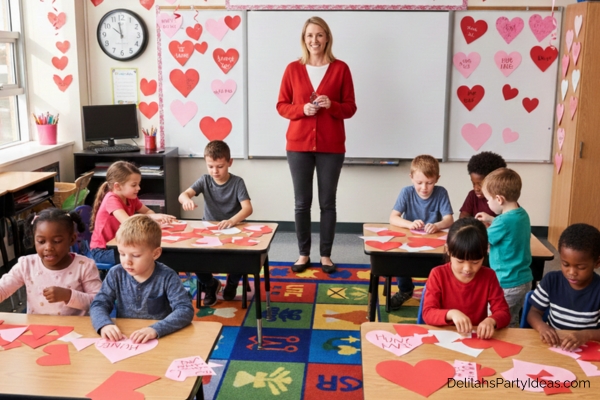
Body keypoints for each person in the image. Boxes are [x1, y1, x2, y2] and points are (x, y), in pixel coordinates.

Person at [276, 16, 357, 274]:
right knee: (301, 203)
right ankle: (303, 254)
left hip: (331, 147)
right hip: (298, 145)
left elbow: (351, 108)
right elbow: (281, 105)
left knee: (327, 203)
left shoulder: (341, 69)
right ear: (304, 39)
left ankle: (325, 255)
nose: (314, 40)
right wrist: (302, 109)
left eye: (319, 35)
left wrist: (332, 106)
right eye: (310, 35)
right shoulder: (292, 69)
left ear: (327, 38)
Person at [90, 215, 194, 343]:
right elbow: (99, 304)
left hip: (159, 337)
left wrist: (155, 329)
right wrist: (104, 324)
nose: (127, 261)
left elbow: (185, 310)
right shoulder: (116, 273)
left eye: (135, 255)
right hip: (126, 338)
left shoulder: (167, 276)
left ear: (155, 254)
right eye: (122, 253)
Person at [178, 140, 253, 306]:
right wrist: (186, 200)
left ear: (229, 162)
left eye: (220, 166)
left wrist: (232, 220)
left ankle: (232, 282)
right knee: (193, 256)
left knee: (242, 256)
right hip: (210, 229)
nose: (215, 171)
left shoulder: (237, 182)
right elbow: (183, 194)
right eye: (210, 166)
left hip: (235, 229)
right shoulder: (205, 180)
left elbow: (247, 208)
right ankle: (210, 284)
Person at [0, 208, 102, 315]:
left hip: (75, 329)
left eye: (57, 241)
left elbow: (99, 302)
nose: (48, 247)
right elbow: (3, 289)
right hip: (38, 328)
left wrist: (69, 295)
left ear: (72, 239)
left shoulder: (84, 266)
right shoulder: (27, 265)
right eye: (41, 241)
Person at [422, 218, 510, 338]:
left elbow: (503, 312)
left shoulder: (489, 276)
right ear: (448, 250)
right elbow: (428, 313)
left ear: (485, 253)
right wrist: (451, 313)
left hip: (475, 338)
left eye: (475, 262)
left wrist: (491, 321)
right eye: (460, 261)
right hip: (445, 337)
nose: (467, 268)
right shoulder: (438, 274)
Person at [389, 155, 454, 310]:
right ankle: (405, 290)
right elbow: (393, 218)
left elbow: (449, 219)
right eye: (419, 183)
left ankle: (435, 293)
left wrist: (437, 225)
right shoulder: (406, 192)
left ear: (437, 179)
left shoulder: (441, 193)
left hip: (433, 243)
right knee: (398, 259)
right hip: (409, 242)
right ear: (411, 178)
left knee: (440, 265)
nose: (424, 187)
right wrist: (410, 224)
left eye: (429, 183)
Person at [527, 223, 600, 351]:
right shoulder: (551, 280)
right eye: (565, 264)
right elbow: (533, 313)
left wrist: (585, 335)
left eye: (581, 267)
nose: (571, 272)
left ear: (597, 263)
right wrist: (542, 327)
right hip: (555, 345)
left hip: (587, 348)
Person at [89, 161, 176, 265]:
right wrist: (152, 218)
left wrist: (156, 216)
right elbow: (129, 223)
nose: (138, 188)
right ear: (117, 186)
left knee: (154, 253)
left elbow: (148, 211)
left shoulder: (130, 197)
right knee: (147, 257)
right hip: (103, 251)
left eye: (138, 184)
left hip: (122, 246)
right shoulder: (111, 199)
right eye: (134, 185)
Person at [476, 168, 532, 327]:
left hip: (506, 283)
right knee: (511, 318)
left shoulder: (501, 223)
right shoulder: (522, 214)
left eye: (488, 199)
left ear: (499, 199)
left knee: (494, 319)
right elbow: (510, 228)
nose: (487, 203)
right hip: (524, 280)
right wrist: (492, 219)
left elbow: (481, 240)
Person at [459, 151, 507, 219]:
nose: (476, 188)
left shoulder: (505, 199)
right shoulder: (472, 195)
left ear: (495, 181)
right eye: (473, 183)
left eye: (480, 184)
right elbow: (462, 218)